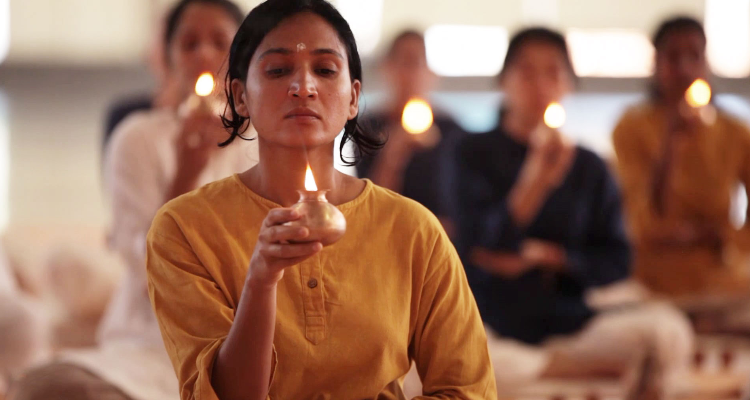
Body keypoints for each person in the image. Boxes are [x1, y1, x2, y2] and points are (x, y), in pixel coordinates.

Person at [145, 0, 496, 398]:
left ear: (352, 98)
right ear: (240, 97)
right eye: (278, 70)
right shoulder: (185, 227)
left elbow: (468, 390)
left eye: (325, 70)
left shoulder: (414, 230)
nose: (304, 87)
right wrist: (261, 278)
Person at [10, 1, 254, 400]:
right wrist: (186, 173)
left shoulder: (260, 143)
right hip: (147, 341)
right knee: (49, 387)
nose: (205, 55)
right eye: (190, 43)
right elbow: (147, 271)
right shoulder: (137, 138)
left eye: (219, 42)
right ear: (169, 57)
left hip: (240, 337)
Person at [457, 27, 693, 397]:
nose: (539, 84)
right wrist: (534, 182)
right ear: (504, 81)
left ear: (568, 84)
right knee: (453, 359)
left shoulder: (589, 166)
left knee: (667, 333)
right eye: (526, 71)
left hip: (570, 320)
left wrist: (556, 258)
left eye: (552, 72)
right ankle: (565, 374)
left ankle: (549, 371)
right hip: (491, 317)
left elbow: (617, 259)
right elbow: (471, 243)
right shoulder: (469, 152)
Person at [613, 17, 750, 304]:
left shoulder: (735, 132)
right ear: (656, 64)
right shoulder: (631, 128)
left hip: (722, 273)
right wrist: (671, 143)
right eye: (673, 57)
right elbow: (642, 223)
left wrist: (725, 238)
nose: (685, 69)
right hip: (652, 278)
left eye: (695, 56)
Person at [356, 31, 466, 237]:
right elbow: (368, 204)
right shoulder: (368, 127)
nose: (412, 73)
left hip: (440, 236)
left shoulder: (452, 130)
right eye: (404, 62)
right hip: (389, 234)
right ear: (387, 68)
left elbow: (462, 202)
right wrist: (393, 154)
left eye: (418, 62)